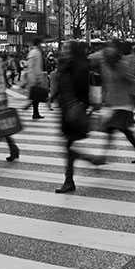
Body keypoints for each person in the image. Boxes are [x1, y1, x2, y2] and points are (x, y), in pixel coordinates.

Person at [53, 41, 102, 193]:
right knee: (69, 145)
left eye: (67, 49)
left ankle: (70, 179)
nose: (64, 51)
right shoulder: (84, 65)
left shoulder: (72, 66)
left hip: (71, 111)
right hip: (78, 109)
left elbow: (66, 86)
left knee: (68, 145)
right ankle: (73, 176)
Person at [99, 44, 135, 163]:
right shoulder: (106, 66)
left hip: (123, 102)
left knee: (114, 129)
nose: (108, 61)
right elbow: (106, 83)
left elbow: (134, 80)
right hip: (113, 103)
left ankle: (103, 156)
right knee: (122, 130)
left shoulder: (122, 67)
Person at [25, 38, 47, 120]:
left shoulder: (35, 52)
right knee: (35, 95)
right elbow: (32, 67)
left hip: (35, 76)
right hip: (34, 77)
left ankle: (35, 112)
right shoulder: (35, 52)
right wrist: (36, 78)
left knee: (36, 96)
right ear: (38, 44)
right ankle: (34, 111)